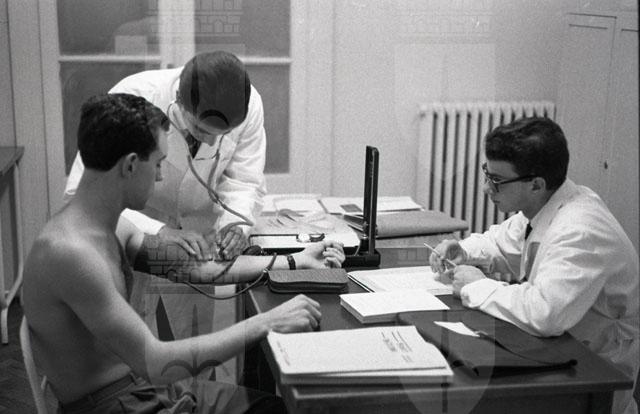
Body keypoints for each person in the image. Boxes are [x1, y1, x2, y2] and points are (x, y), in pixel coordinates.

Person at [23, 93, 345, 413]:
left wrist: (295, 260)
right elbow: (155, 362)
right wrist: (265, 323)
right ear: (131, 165)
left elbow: (198, 268)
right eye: (158, 163)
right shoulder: (71, 254)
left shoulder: (114, 228)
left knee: (276, 406)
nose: (161, 176)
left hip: (144, 389)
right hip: (120, 404)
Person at [429, 117, 639, 414]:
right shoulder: (546, 204)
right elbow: (502, 242)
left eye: (496, 180)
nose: (486, 188)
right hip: (560, 350)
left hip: (593, 374)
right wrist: (463, 250)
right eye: (487, 173)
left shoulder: (580, 229)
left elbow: (545, 312)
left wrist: (476, 285)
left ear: (536, 184)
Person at [64, 51, 266, 261]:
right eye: (200, 130)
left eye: (223, 134)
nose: (211, 143)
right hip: (135, 241)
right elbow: (81, 195)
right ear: (178, 99)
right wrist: (156, 230)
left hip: (204, 247)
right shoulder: (132, 99)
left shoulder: (248, 104)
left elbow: (244, 181)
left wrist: (234, 224)